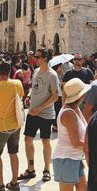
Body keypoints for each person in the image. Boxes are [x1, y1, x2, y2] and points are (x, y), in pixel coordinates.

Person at [53, 79, 93, 191]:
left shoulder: (75, 108)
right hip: (66, 159)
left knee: (82, 189)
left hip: (74, 158)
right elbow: (76, 142)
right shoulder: (69, 112)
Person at [18, 49, 60, 183]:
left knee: (45, 141)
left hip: (45, 114)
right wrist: (29, 96)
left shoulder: (52, 75)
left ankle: (47, 169)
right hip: (32, 111)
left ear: (45, 58)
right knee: (27, 139)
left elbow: (55, 96)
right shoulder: (36, 71)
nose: (35, 59)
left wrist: (40, 108)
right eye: (35, 56)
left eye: (38, 57)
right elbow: (34, 87)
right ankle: (30, 169)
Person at [0, 62, 24, 191]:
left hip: (1, 126)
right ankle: (14, 182)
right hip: (16, 125)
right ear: (10, 71)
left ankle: (0, 184)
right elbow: (21, 97)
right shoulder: (17, 83)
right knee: (13, 153)